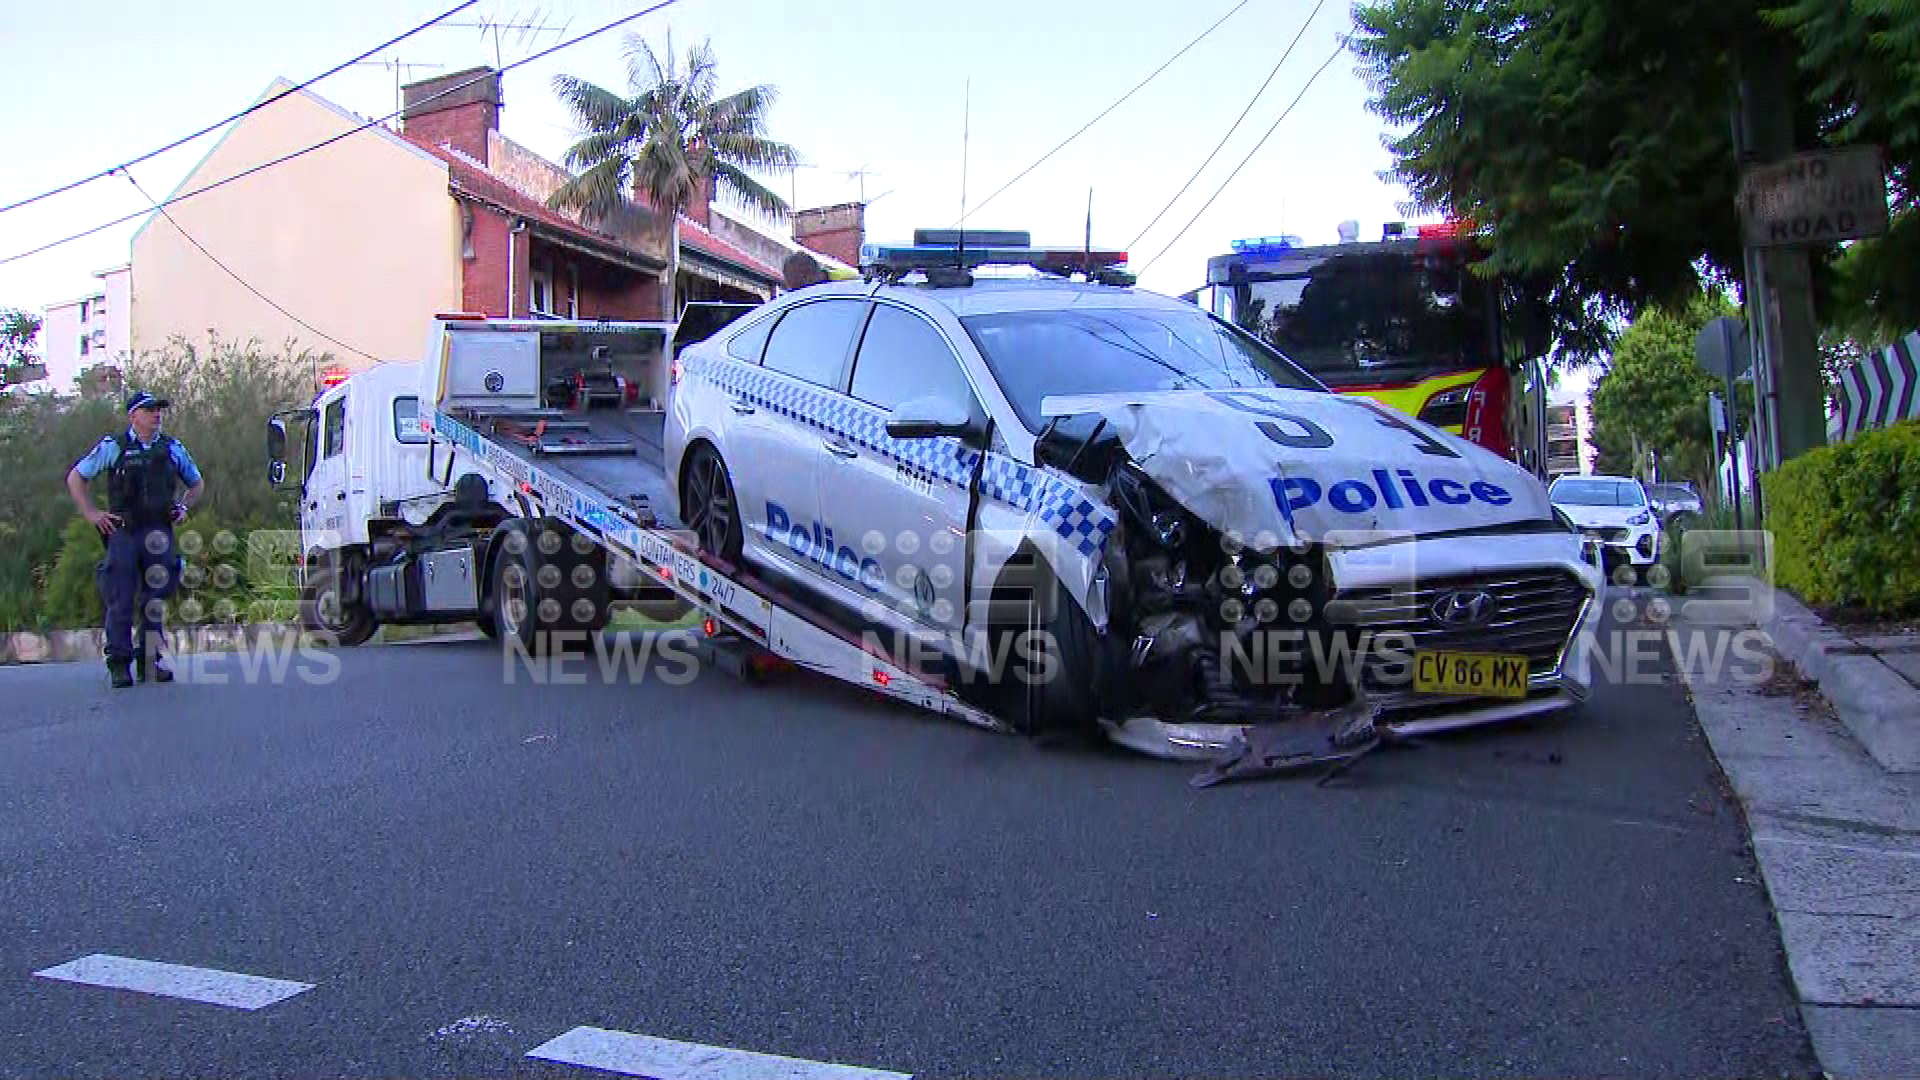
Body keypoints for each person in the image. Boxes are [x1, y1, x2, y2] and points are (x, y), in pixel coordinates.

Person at [65, 390, 204, 688]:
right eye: (149, 410)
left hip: (158, 532)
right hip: (124, 531)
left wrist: (183, 507)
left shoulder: (170, 448)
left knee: (156, 597)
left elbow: (196, 483)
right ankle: (119, 663)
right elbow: (76, 478)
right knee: (121, 596)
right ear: (133, 416)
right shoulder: (114, 446)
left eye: (159, 410)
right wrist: (92, 514)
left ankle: (149, 661)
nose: (157, 415)